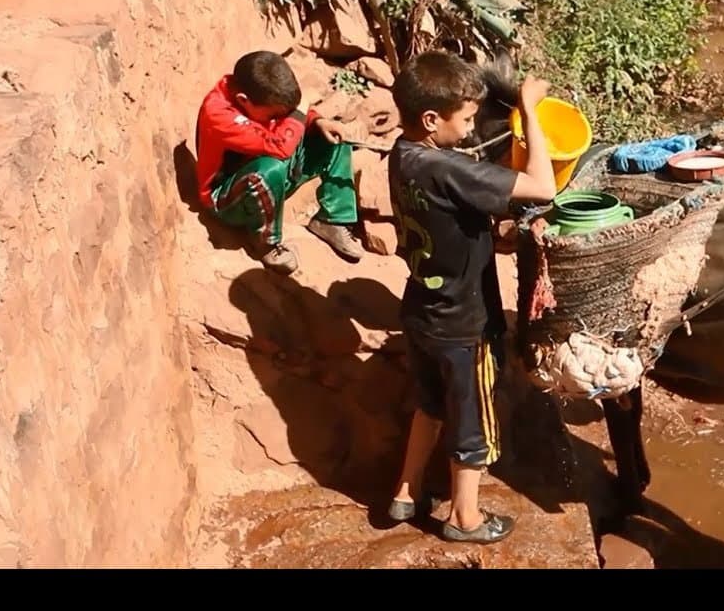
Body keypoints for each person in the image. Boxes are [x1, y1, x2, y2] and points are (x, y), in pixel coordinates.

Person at [385, 50, 557, 544]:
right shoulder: (447, 168)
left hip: (420, 310)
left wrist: (485, 233)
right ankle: (465, 518)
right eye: (466, 119)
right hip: (464, 325)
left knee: (430, 404)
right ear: (432, 119)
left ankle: (406, 490)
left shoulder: (403, 155)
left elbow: (448, 218)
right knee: (472, 420)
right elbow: (542, 187)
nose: (471, 127)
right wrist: (528, 110)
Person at [194, 50, 364, 275]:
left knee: (335, 138)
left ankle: (333, 219)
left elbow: (292, 114)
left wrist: (318, 120)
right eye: (273, 114)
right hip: (229, 197)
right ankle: (267, 244)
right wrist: (303, 110)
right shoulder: (218, 114)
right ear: (243, 101)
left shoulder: (257, 89)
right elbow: (280, 147)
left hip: (269, 165)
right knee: (268, 171)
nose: (277, 117)